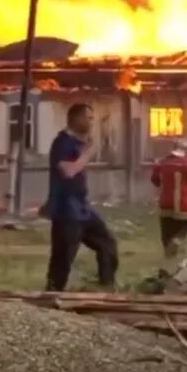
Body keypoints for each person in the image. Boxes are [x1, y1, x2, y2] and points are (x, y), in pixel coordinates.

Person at [44, 103, 119, 291]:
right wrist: (88, 154)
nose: (92, 122)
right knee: (63, 259)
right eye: (89, 117)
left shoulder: (78, 143)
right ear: (76, 118)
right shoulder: (62, 143)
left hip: (83, 209)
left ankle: (106, 287)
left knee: (107, 244)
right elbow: (67, 171)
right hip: (67, 212)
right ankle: (53, 295)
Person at [151, 139, 187, 258]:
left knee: (167, 228)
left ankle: (168, 252)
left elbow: (155, 180)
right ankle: (177, 240)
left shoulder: (161, 163)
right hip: (182, 202)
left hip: (165, 202)